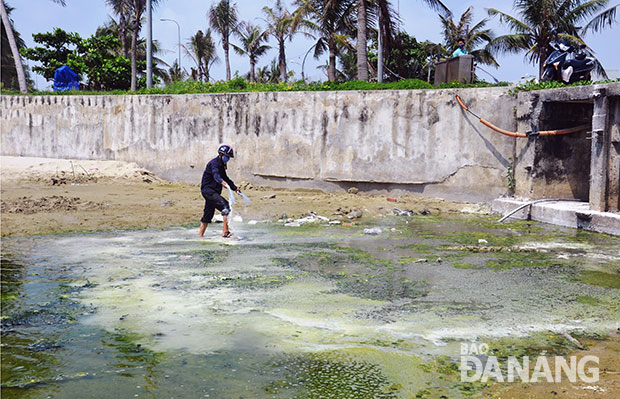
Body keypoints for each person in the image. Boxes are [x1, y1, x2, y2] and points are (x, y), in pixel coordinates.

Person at [198, 144, 241, 238]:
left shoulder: (221, 165)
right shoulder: (214, 163)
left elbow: (225, 178)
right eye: (227, 157)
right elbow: (216, 175)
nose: (228, 159)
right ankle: (225, 232)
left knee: (208, 214)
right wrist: (222, 182)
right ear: (221, 154)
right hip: (209, 191)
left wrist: (235, 188)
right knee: (226, 207)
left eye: (229, 157)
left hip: (213, 192)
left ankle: (200, 236)